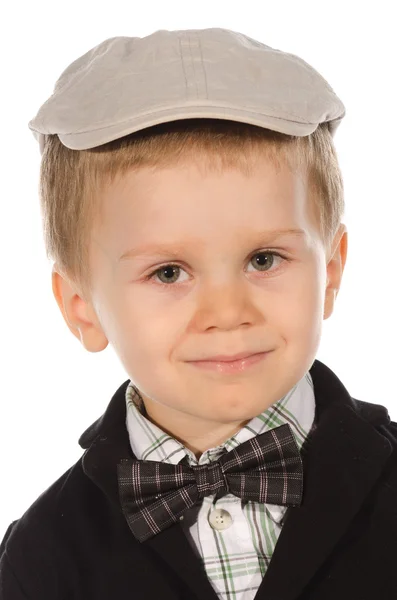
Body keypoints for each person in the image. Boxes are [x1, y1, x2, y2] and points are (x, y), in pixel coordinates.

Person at [0, 27, 396, 600]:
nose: (227, 312)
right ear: (82, 309)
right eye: (168, 273)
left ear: (330, 272)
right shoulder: (42, 561)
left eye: (263, 259)